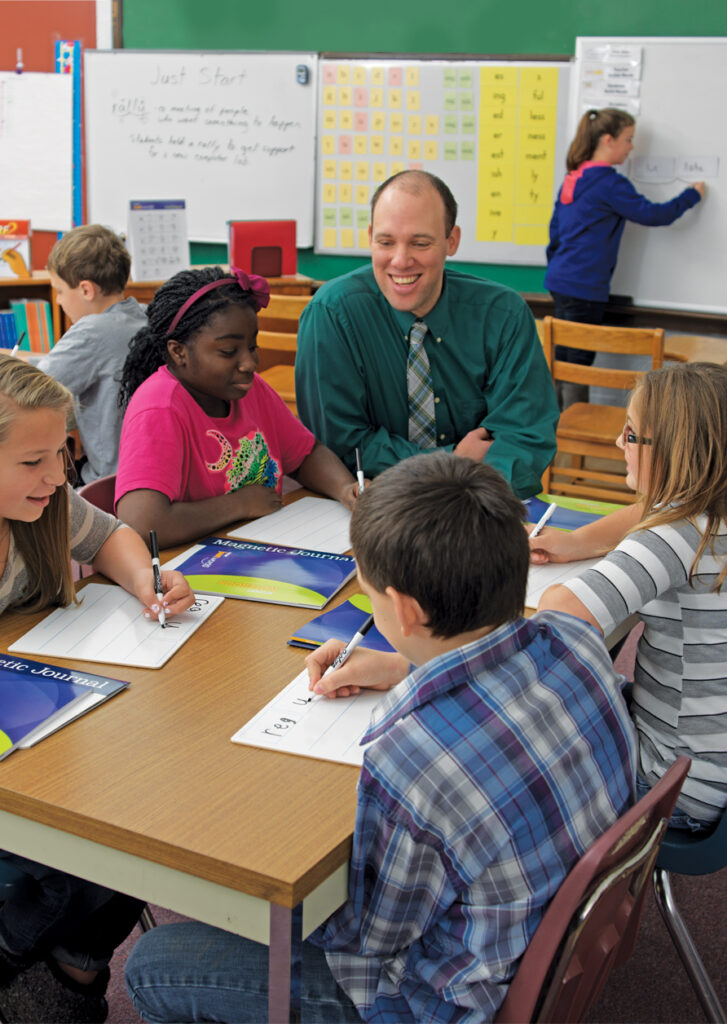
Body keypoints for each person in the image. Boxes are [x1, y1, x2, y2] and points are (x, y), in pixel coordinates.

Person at [124, 451, 636, 1023]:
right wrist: (405, 666)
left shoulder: (412, 762)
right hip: (546, 943)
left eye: (366, 593)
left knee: (153, 963)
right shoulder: (577, 640)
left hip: (437, 1001)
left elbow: (364, 935)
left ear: (402, 609)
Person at [0, 354, 194, 1023]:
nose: (57, 476)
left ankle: (70, 972)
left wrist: (144, 579)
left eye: (62, 453)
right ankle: (18, 962)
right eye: (33, 461)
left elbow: (110, 536)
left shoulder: (47, 507)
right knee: (67, 862)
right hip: (17, 763)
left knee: (145, 812)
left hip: (43, 733)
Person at [532, 362, 727, 830]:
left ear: (674, 454)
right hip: (710, 760)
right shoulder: (710, 512)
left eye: (632, 435)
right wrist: (580, 543)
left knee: (523, 732)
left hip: (669, 782)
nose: (619, 444)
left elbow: (559, 613)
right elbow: (649, 508)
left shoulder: (676, 537)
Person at [295, 170, 558, 499]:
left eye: (420, 243)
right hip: (370, 507)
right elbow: (339, 445)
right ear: (370, 236)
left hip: (478, 506)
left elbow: (525, 437)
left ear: (452, 240)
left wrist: (462, 494)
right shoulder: (332, 315)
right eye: (386, 242)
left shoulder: (503, 315)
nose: (401, 260)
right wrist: (451, 465)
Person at [115, 267, 359, 548]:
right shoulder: (159, 408)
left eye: (252, 347)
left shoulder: (250, 389)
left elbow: (305, 454)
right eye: (229, 352)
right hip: (187, 571)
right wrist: (238, 505)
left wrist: (345, 488)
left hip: (261, 545)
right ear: (178, 351)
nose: (250, 363)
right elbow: (143, 524)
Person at [544, 108, 704, 408]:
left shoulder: (574, 178)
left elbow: (555, 232)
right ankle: (569, 428)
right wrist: (690, 196)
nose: (632, 147)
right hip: (584, 286)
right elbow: (653, 214)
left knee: (562, 359)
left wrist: (557, 265)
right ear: (608, 140)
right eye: (628, 139)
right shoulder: (609, 183)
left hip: (560, 280)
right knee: (577, 362)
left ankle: (554, 428)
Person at [37, 224, 147, 482]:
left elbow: (33, 387)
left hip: (108, 482)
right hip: (146, 471)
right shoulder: (145, 314)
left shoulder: (93, 331)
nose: (60, 301)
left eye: (60, 291)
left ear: (86, 290)